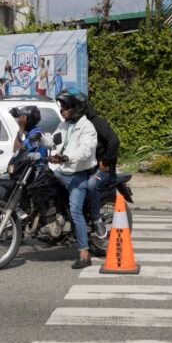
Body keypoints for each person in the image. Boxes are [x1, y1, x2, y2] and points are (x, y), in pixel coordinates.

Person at [49, 90, 98, 269]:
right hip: (62, 171)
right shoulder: (65, 125)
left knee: (76, 211)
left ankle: (84, 254)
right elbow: (54, 142)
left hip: (78, 175)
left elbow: (86, 151)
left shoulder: (87, 127)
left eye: (66, 107)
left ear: (76, 108)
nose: (63, 111)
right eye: (62, 107)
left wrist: (66, 157)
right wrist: (40, 139)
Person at [79, 95, 120, 239]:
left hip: (103, 168)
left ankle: (96, 219)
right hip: (87, 167)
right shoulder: (77, 125)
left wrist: (105, 161)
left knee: (91, 185)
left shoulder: (97, 123)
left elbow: (114, 141)